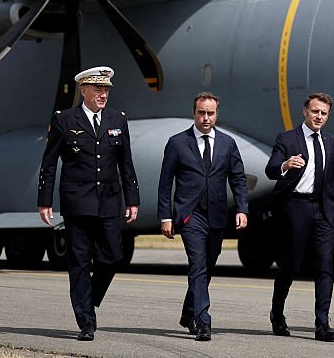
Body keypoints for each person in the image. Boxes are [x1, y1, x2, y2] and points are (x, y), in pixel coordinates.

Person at [37, 66, 139, 342]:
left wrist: (133, 200)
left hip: (109, 200)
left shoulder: (118, 119)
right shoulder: (64, 120)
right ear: (83, 90)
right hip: (77, 202)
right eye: (98, 89)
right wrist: (44, 201)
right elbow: (49, 164)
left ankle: (91, 296)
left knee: (114, 256)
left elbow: (126, 163)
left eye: (106, 89)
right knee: (79, 262)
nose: (103, 94)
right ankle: (86, 321)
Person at [157, 92, 249, 342]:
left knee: (207, 267)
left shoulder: (228, 143)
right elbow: (165, 184)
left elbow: (238, 178)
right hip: (190, 216)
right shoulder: (177, 143)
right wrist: (166, 217)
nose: (206, 118)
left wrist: (242, 208)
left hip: (218, 215)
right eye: (201, 113)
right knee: (197, 265)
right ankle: (203, 322)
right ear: (194, 113)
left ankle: (188, 313)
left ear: (217, 114)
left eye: (210, 113)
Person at [264, 92, 334, 342]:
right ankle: (277, 313)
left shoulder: (330, 141)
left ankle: (322, 324)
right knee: (291, 265)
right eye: (315, 111)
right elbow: (270, 170)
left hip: (323, 210)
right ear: (305, 112)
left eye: (324, 113)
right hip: (295, 207)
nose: (319, 116)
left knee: (325, 267)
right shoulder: (287, 138)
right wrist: (285, 165)